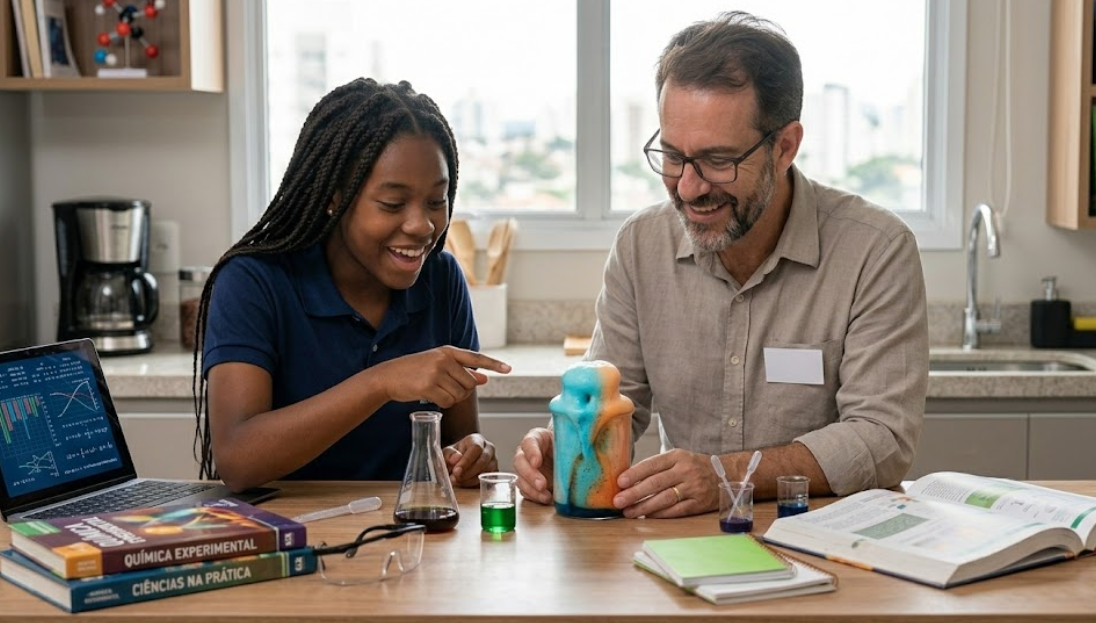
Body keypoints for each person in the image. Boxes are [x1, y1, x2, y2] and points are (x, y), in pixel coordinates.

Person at [514, 11, 928, 518]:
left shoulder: (875, 250)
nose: (688, 188)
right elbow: (616, 401)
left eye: (717, 161)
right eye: (672, 155)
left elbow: (881, 440)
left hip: (821, 546)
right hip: (679, 553)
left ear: (785, 147)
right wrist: (566, 446)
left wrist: (727, 475)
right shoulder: (641, 246)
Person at [191, 78, 511, 492]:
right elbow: (236, 459)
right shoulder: (253, 282)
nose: (423, 225)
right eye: (392, 204)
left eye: (436, 200)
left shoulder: (441, 279)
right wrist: (380, 382)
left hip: (411, 539)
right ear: (333, 197)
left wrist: (472, 453)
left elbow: (455, 441)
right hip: (290, 541)